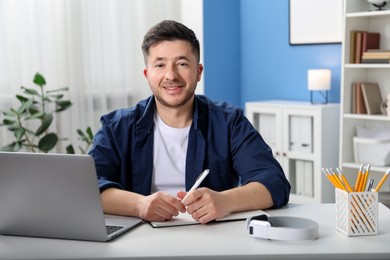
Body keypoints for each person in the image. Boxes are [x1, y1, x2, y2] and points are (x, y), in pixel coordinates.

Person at [89, 20, 290, 224]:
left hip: (212, 239)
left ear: (198, 72)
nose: (171, 75)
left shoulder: (229, 122)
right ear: (147, 74)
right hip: (136, 241)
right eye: (160, 65)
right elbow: (87, 187)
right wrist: (139, 205)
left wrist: (224, 201)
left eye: (182, 64)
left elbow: (274, 182)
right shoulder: (116, 128)